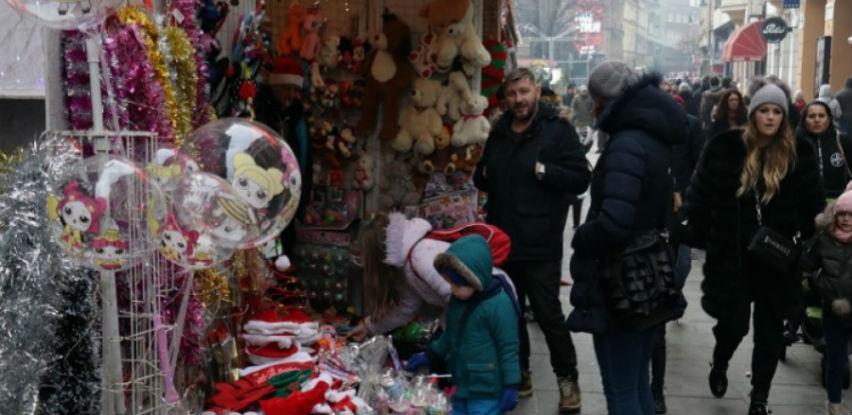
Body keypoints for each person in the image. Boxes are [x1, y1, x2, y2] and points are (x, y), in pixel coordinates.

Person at [685, 84, 826, 415]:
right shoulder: (726, 148)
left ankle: (760, 397)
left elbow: (812, 205)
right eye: (765, 110)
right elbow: (701, 193)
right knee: (733, 325)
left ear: (784, 116)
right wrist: (693, 228)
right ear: (753, 114)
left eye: (777, 112)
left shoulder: (798, 153)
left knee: (770, 332)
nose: (771, 117)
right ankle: (720, 362)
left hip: (777, 260)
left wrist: (809, 239)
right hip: (734, 257)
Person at [566, 61, 687, 415]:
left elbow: (615, 223)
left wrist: (580, 237)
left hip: (622, 282)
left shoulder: (626, 144)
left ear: (605, 100)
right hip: (646, 277)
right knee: (637, 384)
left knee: (621, 391)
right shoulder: (650, 136)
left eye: (594, 100)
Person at [474, 67, 591, 413]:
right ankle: (519, 373)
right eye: (511, 94)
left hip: (540, 242)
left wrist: (545, 171)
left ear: (536, 91)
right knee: (509, 312)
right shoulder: (499, 132)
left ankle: (567, 380)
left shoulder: (557, 131)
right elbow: (485, 174)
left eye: (523, 92)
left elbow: (581, 178)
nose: (518, 100)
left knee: (548, 313)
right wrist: (482, 175)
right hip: (504, 241)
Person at [405, 235, 521, 415]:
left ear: (475, 279)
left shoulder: (499, 304)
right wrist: (431, 354)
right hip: (460, 383)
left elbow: (508, 347)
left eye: (457, 284)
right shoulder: (457, 301)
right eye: (450, 283)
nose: (452, 289)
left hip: (487, 389)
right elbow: (450, 334)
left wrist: (511, 384)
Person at [348, 213, 451, 341]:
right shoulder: (406, 263)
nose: (363, 262)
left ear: (378, 256)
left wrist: (446, 341)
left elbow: (461, 299)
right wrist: (368, 327)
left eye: (365, 257)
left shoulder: (421, 257)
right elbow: (405, 309)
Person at [254, 56, 313, 256]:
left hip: (288, 203)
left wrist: (302, 203)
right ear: (274, 86)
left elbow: (306, 160)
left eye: (296, 90)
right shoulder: (259, 112)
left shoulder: (297, 119)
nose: (292, 95)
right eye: (287, 88)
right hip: (259, 198)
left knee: (285, 256)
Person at [801, 186, 852, 415]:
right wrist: (817, 282)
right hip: (833, 308)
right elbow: (806, 264)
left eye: (851, 215)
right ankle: (834, 403)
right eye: (842, 214)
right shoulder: (824, 238)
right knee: (836, 360)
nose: (846, 220)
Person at [797, 101, 852, 199]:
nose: (817, 120)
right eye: (812, 116)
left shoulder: (842, 141)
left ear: (829, 119)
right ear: (804, 119)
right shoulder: (796, 143)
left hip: (839, 202)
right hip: (804, 202)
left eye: (821, 116)